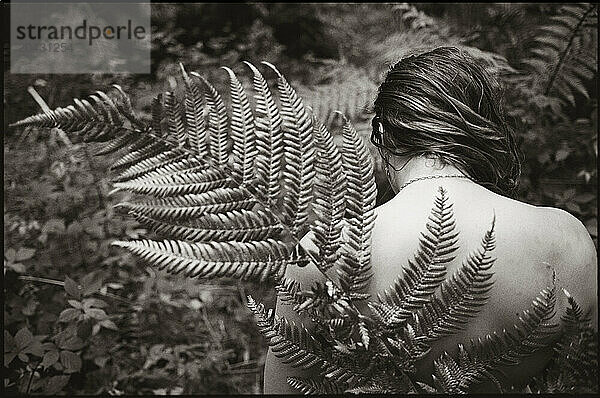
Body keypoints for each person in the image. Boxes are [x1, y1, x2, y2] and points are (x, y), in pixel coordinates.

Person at [263, 46, 597, 393]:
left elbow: (285, 388)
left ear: (384, 136)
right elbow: (580, 380)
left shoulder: (323, 251)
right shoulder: (566, 239)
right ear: (483, 132)